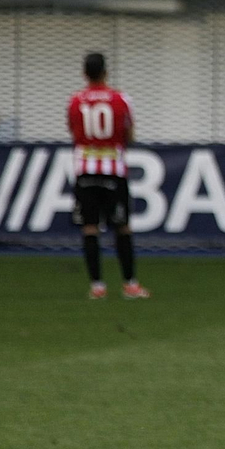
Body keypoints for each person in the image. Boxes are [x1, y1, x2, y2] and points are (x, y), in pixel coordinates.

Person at [68, 52, 150, 300]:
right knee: (122, 228)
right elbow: (130, 134)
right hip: (113, 171)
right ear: (106, 72)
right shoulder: (120, 99)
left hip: (85, 172)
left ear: (84, 73)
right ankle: (130, 284)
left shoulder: (75, 101)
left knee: (90, 229)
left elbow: (74, 133)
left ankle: (97, 286)